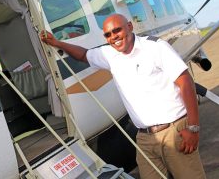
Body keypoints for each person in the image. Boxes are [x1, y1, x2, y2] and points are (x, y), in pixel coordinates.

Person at [40, 14, 206, 179]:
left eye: (117, 30)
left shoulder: (155, 47)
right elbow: (84, 55)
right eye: (108, 35)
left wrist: (193, 128)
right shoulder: (109, 54)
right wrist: (57, 43)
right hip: (145, 138)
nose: (113, 37)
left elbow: (186, 83)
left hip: (173, 131)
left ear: (130, 26)